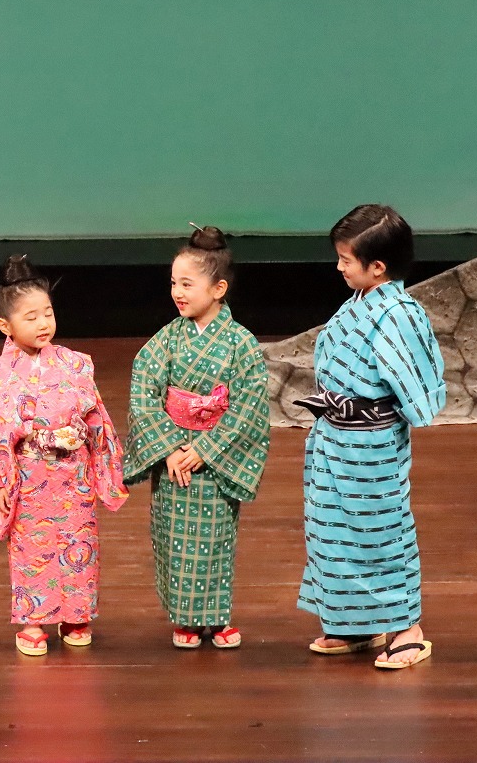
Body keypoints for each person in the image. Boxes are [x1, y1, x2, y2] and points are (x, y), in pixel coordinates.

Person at [296, 204, 445, 670]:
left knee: (378, 531)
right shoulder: (360, 301)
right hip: (332, 438)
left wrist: (374, 415)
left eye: (346, 259)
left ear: (377, 267)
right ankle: (355, 621)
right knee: (330, 529)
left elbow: (417, 390)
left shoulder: (399, 313)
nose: (339, 266)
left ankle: (406, 626)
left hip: (370, 446)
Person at [0, 254, 127, 656]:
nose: (43, 323)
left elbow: (96, 416)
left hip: (74, 473)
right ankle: (33, 619)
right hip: (29, 476)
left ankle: (76, 613)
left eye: (47, 313)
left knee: (79, 538)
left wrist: (103, 459)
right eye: (30, 317)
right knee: (31, 548)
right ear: (5, 326)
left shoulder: (74, 364)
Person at [125, 225, 270, 650]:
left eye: (187, 284)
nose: (178, 292)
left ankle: (218, 618)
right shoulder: (166, 340)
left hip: (214, 458)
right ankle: (186, 619)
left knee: (215, 540)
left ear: (218, 288)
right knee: (176, 540)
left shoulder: (240, 343)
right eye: (174, 283)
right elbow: (143, 392)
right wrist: (171, 447)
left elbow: (248, 407)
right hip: (174, 460)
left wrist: (203, 449)